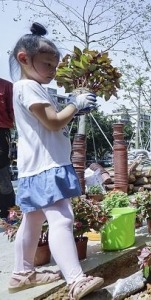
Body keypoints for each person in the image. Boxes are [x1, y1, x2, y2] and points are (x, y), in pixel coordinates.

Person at [8, 22, 103, 298]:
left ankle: (22, 272)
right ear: (24, 59)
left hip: (33, 167)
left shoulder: (25, 87)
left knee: (32, 220)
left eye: (55, 65)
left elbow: (49, 123)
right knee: (62, 218)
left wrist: (74, 106)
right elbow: (52, 122)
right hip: (46, 165)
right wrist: (77, 103)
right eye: (47, 64)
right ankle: (76, 280)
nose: (53, 70)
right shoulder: (29, 87)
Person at [0, 77, 16, 219]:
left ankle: (9, 211)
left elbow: (13, 111)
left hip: (1, 132)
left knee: (2, 173)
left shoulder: (6, 86)